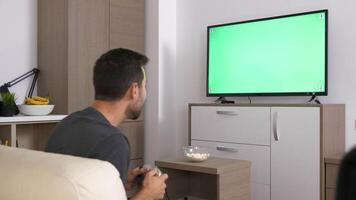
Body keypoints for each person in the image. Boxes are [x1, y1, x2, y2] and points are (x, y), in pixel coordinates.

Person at [45, 48, 168, 199]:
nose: (145, 93)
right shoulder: (113, 141)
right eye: (145, 86)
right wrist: (148, 194)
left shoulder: (67, 123)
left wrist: (120, 182)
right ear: (134, 90)